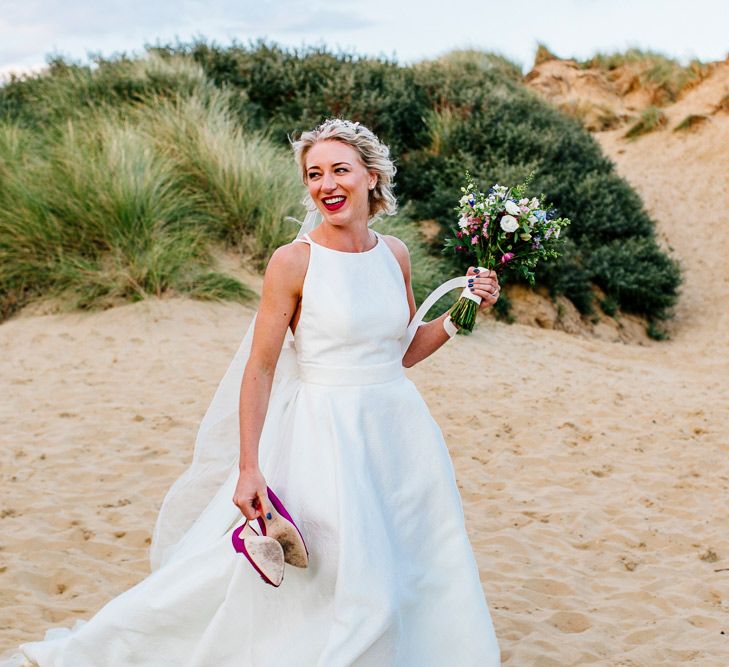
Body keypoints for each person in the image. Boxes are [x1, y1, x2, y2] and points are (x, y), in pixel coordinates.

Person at [4, 118, 501, 666]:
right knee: (333, 571)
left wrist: (464, 312)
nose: (326, 184)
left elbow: (401, 350)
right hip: (326, 434)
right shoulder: (294, 261)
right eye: (315, 174)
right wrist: (249, 467)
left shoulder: (396, 254)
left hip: (398, 431)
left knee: (414, 558)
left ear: (371, 176)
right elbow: (260, 367)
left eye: (340, 170)